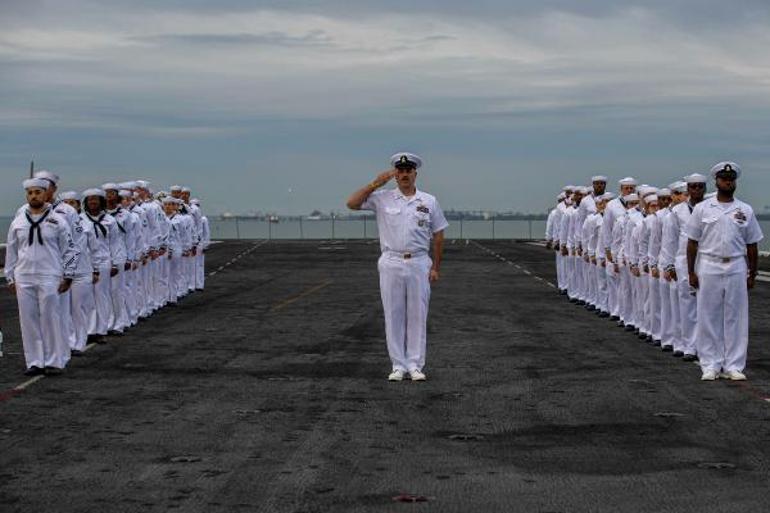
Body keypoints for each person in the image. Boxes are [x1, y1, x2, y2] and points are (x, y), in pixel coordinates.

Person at [346, 152, 448, 382]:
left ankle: (415, 365)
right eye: (400, 171)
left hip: (419, 262)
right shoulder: (382, 198)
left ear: (415, 173)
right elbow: (351, 203)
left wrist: (436, 267)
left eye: (408, 171)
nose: (404, 175)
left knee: (417, 315)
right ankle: (398, 365)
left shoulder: (428, 201)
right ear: (395, 175)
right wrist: (375, 183)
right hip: (391, 261)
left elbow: (439, 234)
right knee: (393, 314)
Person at [686, 162, 763, 381]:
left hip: (737, 265)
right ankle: (710, 364)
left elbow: (752, 245)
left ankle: (734, 365)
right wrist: (691, 272)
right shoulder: (703, 208)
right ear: (716, 181)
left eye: (731, 179)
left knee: (736, 316)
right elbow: (692, 243)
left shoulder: (744, 209)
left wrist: (752, 273)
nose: (727, 182)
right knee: (708, 314)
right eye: (723, 178)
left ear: (735, 182)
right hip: (709, 263)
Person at [5, 178, 78, 375]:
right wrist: (9, 276)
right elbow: (12, 250)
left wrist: (69, 275)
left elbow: (70, 250)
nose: (34, 196)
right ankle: (35, 361)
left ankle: (54, 361)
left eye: (38, 192)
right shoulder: (18, 221)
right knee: (27, 320)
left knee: (50, 318)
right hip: (24, 275)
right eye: (30, 193)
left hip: (50, 274)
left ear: (46, 194)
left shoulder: (58, 220)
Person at [660, 173, 706, 359]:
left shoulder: (709, 208)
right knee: (686, 306)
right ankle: (688, 345)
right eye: (692, 187)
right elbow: (669, 241)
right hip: (682, 261)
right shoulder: (676, 212)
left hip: (706, 260)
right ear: (688, 190)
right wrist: (668, 265)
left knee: (706, 306)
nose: (696, 190)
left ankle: (705, 345)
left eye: (699, 186)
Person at [60, 191, 106, 355]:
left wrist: (95, 270)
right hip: (62, 273)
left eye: (72, 203)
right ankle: (67, 341)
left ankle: (78, 343)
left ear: (78, 205)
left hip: (81, 271)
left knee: (78, 308)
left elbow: (94, 249)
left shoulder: (86, 224)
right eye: (65, 202)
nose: (68, 206)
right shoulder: (56, 224)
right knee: (63, 310)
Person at [82, 188, 123, 344]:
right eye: (90, 199)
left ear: (101, 201)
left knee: (102, 296)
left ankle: (101, 329)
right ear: (86, 202)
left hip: (104, 261)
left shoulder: (109, 220)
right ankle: (89, 330)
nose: (93, 202)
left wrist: (114, 262)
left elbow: (115, 243)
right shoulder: (80, 219)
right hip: (86, 263)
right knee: (88, 298)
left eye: (96, 199)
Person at [602, 177, 638, 321]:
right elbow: (606, 228)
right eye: (626, 188)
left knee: (628, 285)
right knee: (615, 281)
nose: (629, 190)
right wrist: (607, 249)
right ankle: (615, 310)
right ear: (621, 189)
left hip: (630, 249)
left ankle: (626, 314)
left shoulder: (637, 205)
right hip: (616, 248)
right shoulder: (612, 205)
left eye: (631, 188)